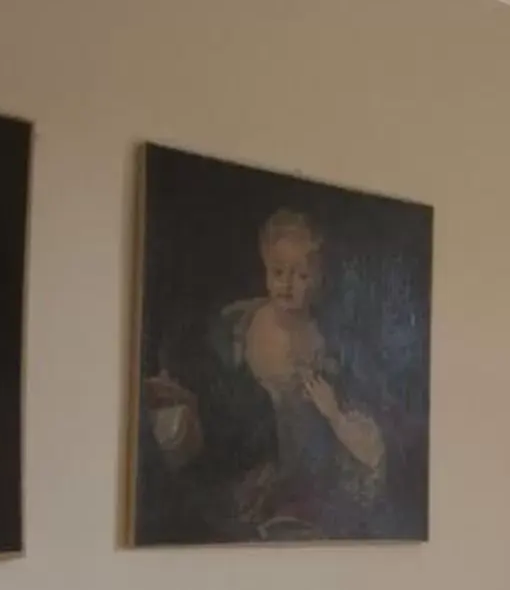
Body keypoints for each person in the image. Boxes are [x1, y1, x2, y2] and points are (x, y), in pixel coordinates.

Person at [143, 209, 387, 539]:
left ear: (319, 279)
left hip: (298, 451)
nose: (287, 284)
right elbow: (223, 391)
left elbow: (328, 415)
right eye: (278, 272)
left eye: (300, 276)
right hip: (246, 446)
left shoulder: (324, 342)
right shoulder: (242, 322)